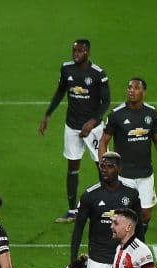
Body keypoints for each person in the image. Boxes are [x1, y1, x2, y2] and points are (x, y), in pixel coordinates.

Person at [38, 39, 111, 223]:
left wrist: (92, 122)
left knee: (103, 167)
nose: (75, 53)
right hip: (72, 126)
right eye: (74, 50)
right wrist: (48, 115)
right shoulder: (66, 69)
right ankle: (72, 211)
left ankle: (109, 207)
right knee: (72, 167)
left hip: (94, 129)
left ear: (87, 52)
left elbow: (106, 102)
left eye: (79, 51)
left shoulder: (98, 74)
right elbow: (60, 92)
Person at [99, 77, 157, 237]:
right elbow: (103, 142)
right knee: (123, 215)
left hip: (145, 173)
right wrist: (104, 165)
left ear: (144, 92)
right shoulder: (116, 114)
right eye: (129, 87)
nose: (131, 91)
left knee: (145, 214)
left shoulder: (152, 114)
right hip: (124, 175)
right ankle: (122, 244)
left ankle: (138, 241)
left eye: (136, 88)